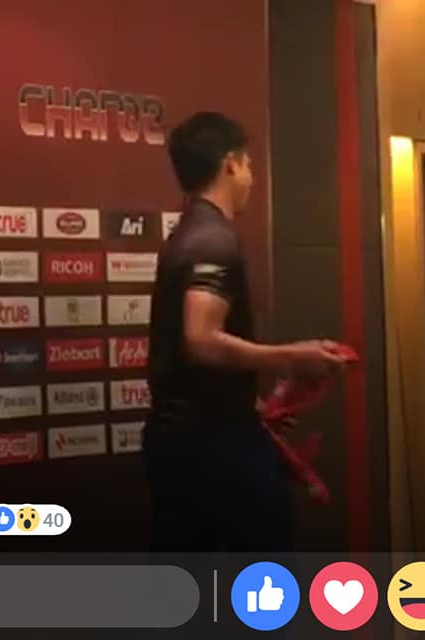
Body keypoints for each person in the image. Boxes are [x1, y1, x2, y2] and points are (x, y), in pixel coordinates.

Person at [144, 111, 348, 552]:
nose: (253, 178)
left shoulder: (187, 235)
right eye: (250, 165)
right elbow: (200, 339)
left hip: (190, 444)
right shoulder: (213, 240)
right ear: (231, 164)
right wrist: (293, 358)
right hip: (215, 451)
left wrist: (248, 403)